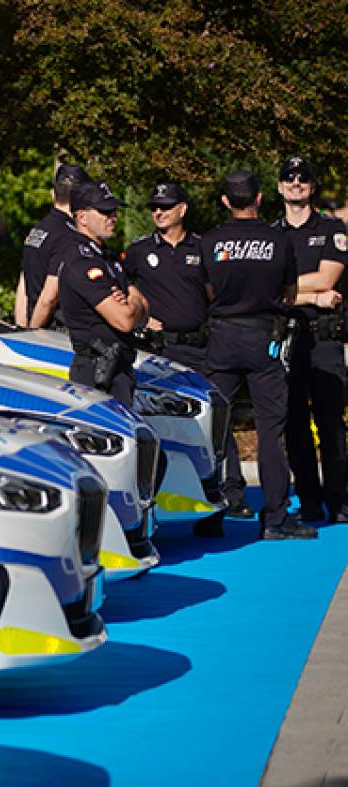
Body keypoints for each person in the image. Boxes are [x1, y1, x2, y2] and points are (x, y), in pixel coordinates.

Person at [124, 183, 253, 523]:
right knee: (154, 424)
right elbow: (120, 287)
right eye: (154, 206)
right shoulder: (139, 250)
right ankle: (156, 502)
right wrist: (141, 313)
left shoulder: (203, 247)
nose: (158, 212)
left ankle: (231, 494)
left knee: (213, 423)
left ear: (182, 209)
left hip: (198, 348)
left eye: (165, 206)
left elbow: (217, 295)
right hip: (155, 350)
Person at [201, 169, 313, 540]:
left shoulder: (211, 241)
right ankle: (277, 518)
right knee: (271, 430)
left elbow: (208, 290)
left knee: (214, 428)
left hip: (223, 336)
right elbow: (291, 292)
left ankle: (214, 508)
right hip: (265, 336)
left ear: (225, 201)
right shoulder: (279, 241)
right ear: (260, 198)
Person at [273, 156, 348, 524]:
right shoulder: (271, 235)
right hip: (287, 341)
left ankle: (338, 499)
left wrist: (290, 291)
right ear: (280, 187)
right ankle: (308, 499)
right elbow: (267, 288)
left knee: (331, 423)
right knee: (295, 424)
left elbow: (326, 279)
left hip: (323, 341)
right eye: (290, 179)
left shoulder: (333, 229)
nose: (297, 184)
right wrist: (311, 295)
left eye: (303, 179)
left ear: (313, 187)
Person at [57, 181, 147, 406]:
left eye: (114, 211)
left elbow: (144, 308)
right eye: (105, 211)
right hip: (97, 373)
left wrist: (132, 302)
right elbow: (125, 321)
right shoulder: (81, 261)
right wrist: (133, 304)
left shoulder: (108, 257)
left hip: (119, 369)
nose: (113, 217)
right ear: (82, 217)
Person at [15, 164, 91, 328]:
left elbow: (24, 282)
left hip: (34, 326)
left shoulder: (37, 230)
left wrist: (21, 328)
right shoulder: (69, 237)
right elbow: (49, 298)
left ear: (53, 194)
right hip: (54, 333)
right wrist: (34, 334)